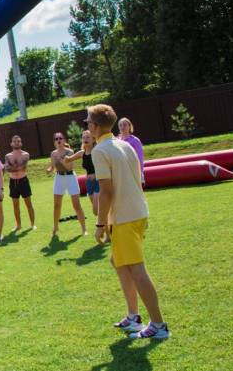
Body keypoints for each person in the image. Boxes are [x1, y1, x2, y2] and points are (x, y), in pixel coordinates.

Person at [86, 104, 169, 339]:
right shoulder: (124, 145)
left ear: (95, 125)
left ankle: (159, 325)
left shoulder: (100, 151)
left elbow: (106, 191)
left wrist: (100, 225)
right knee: (119, 262)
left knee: (136, 268)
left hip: (125, 217)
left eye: (88, 122)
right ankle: (134, 317)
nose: (87, 126)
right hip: (137, 212)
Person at [47, 132, 87, 236]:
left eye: (60, 138)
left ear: (64, 140)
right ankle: (55, 227)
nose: (58, 140)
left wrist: (61, 160)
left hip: (70, 177)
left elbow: (70, 167)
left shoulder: (70, 152)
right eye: (56, 139)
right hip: (59, 178)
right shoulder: (53, 154)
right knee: (56, 205)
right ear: (54, 142)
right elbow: (52, 167)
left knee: (76, 205)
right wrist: (49, 170)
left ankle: (84, 229)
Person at [4, 135, 36, 231]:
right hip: (13, 182)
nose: (17, 142)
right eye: (15, 141)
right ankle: (18, 225)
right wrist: (16, 167)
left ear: (21, 143)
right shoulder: (7, 156)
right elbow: (8, 169)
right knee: (15, 205)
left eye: (18, 141)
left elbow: (23, 167)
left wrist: (12, 167)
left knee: (28, 204)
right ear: (11, 143)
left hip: (23, 181)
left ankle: (32, 224)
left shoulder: (25, 154)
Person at [65, 130, 100, 216]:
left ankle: (106, 224)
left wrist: (95, 175)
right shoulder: (82, 153)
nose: (85, 139)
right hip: (89, 184)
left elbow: (105, 166)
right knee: (98, 213)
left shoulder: (97, 151)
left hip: (99, 182)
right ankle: (106, 227)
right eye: (83, 137)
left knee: (96, 210)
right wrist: (64, 155)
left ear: (93, 139)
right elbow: (69, 159)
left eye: (88, 137)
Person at [117, 117, 145, 183]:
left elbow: (140, 157)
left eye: (125, 125)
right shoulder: (116, 140)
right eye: (120, 125)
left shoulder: (135, 140)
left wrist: (140, 171)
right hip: (121, 172)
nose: (122, 127)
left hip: (134, 170)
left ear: (129, 126)